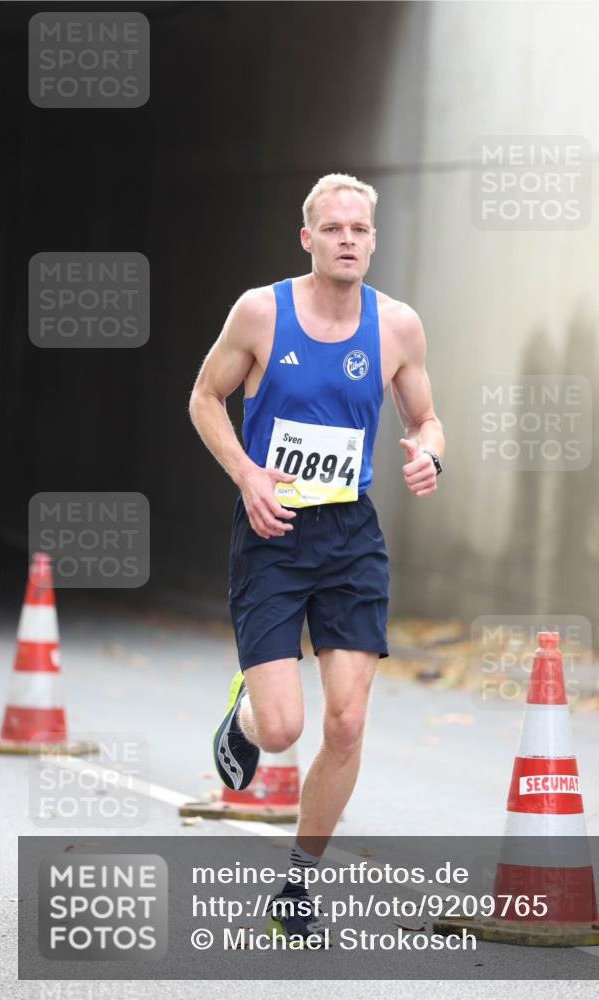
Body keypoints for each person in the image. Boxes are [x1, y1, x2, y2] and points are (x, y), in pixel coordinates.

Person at [189, 173, 444, 944]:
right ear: (307, 238)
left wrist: (430, 455)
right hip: (271, 531)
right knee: (281, 730)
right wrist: (247, 474)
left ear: (372, 239)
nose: (345, 240)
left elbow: (426, 417)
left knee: (346, 719)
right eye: (331, 228)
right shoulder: (260, 311)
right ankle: (243, 711)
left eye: (357, 230)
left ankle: (298, 879)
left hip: (349, 536)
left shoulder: (397, 326)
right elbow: (204, 397)